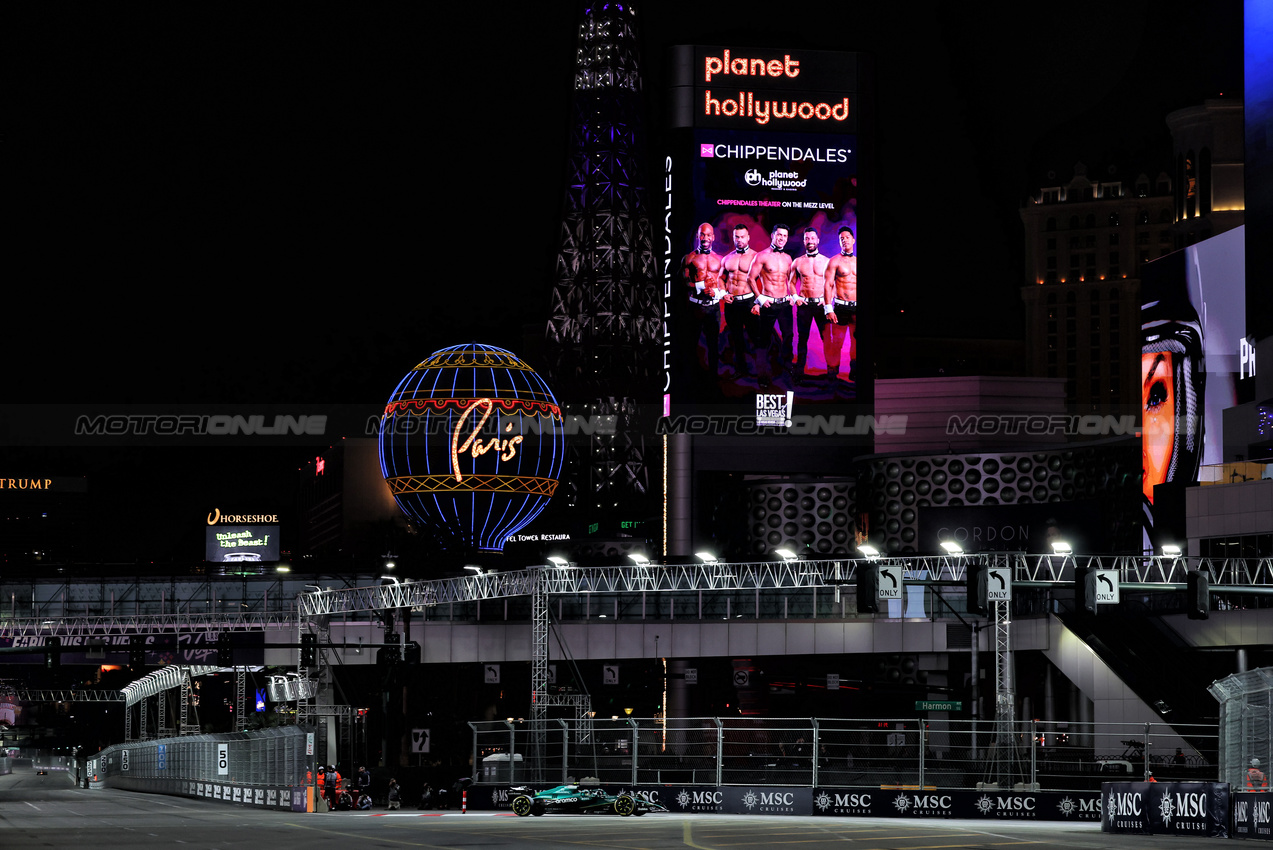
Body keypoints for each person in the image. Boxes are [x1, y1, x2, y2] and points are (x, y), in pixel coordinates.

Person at [748, 223, 794, 387]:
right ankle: (762, 374)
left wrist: (792, 296)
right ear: (773, 235)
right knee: (763, 340)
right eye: (779, 235)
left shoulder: (788, 258)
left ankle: (787, 367)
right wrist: (760, 299)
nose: (782, 238)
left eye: (785, 236)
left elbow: (790, 280)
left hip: (784, 304)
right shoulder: (761, 256)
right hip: (768, 304)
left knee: (788, 336)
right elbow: (750, 278)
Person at [681, 223, 726, 382]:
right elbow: (683, 283)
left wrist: (716, 293)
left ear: (713, 237)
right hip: (696, 307)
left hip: (713, 308)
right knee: (691, 345)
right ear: (697, 236)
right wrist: (701, 286)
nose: (705, 238)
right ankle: (690, 380)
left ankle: (713, 380)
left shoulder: (720, 260)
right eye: (702, 234)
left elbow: (724, 283)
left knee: (714, 345)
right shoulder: (689, 258)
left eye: (708, 235)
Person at [790, 227, 830, 384]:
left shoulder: (826, 261)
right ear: (804, 241)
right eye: (807, 238)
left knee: (827, 339)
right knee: (802, 339)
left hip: (821, 304)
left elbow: (832, 283)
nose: (810, 241)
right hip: (804, 304)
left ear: (817, 240)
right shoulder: (798, 262)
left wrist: (827, 300)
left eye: (813, 238)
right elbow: (791, 283)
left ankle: (831, 373)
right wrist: (795, 297)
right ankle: (799, 373)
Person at [721, 223, 760, 380]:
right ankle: (741, 369)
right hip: (732, 303)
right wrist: (723, 293)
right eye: (736, 237)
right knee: (736, 338)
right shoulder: (727, 258)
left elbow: (765, 281)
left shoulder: (756, 257)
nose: (739, 240)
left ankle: (761, 371)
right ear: (733, 238)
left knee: (756, 337)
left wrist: (758, 303)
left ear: (748, 237)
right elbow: (720, 279)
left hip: (749, 301)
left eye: (742, 237)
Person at [823, 226, 857, 386]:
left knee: (856, 342)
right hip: (840, 307)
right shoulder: (834, 261)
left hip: (856, 308)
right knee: (836, 342)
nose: (844, 240)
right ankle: (832, 373)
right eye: (841, 238)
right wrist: (828, 308)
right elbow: (828, 285)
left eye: (847, 237)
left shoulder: (858, 262)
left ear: (853, 240)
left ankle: (855, 371)